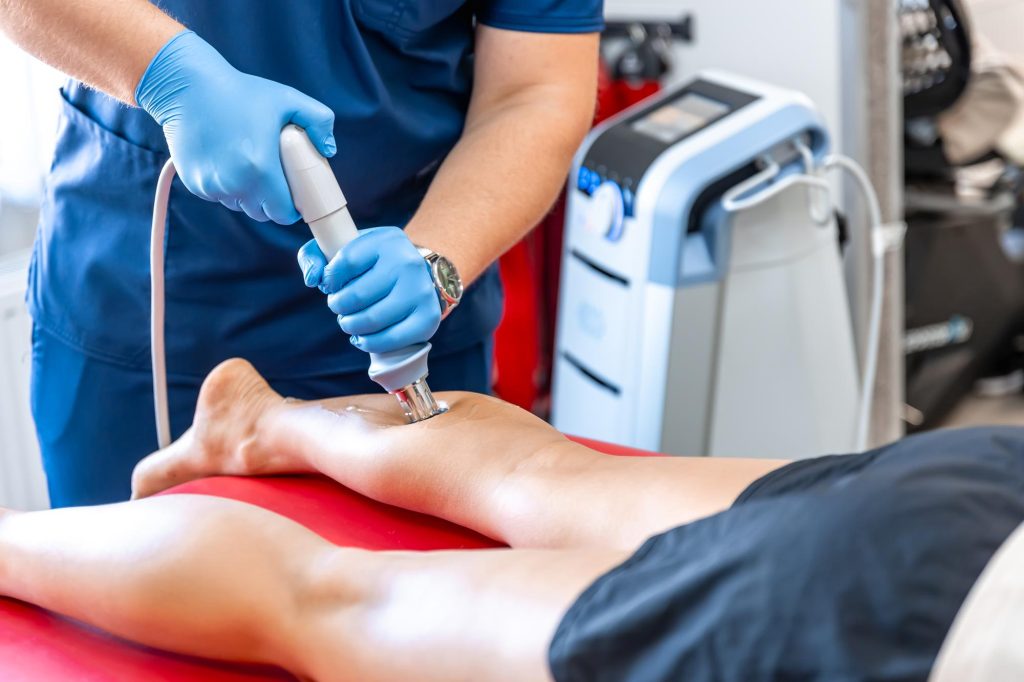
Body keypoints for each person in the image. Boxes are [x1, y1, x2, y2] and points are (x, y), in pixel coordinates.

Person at [1, 358, 1022, 681]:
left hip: (987, 495)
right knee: (328, 599)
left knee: (554, 476)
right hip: (922, 620)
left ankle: (262, 422)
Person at [0, 0, 601, 506]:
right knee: (113, 615)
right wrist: (166, 74)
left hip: (402, 316)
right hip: (142, 309)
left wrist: (432, 260)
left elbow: (537, 90)